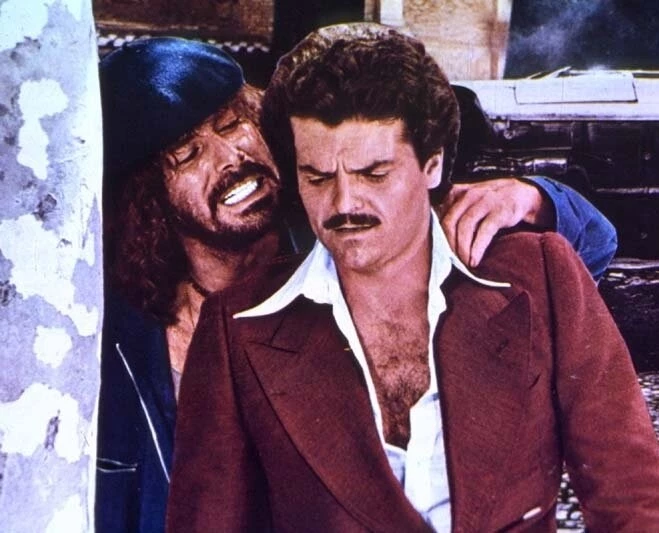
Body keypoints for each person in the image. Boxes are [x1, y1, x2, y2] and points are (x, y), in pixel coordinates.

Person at [96, 38, 617, 532]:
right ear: (147, 199)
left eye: (232, 125)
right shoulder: (109, 346)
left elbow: (592, 244)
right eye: (187, 155)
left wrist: (533, 197)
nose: (229, 158)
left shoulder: (356, 233)